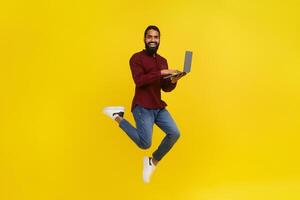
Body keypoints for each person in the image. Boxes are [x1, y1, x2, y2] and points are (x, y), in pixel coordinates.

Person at [103, 25, 185, 183]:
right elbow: (139, 81)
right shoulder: (136, 58)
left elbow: (165, 87)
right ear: (144, 39)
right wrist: (161, 72)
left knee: (175, 133)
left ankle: (152, 161)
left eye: (156, 37)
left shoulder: (162, 60)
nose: (153, 40)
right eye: (150, 37)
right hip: (142, 106)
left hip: (158, 107)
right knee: (145, 143)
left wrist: (174, 80)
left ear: (159, 40)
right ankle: (117, 116)